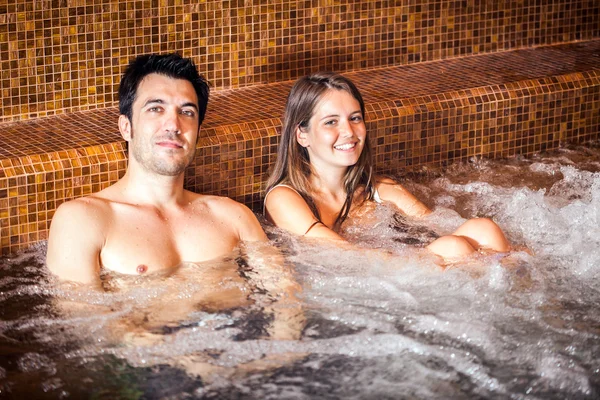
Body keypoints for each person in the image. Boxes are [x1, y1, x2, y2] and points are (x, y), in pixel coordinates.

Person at [46, 53, 268, 287]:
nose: (173, 125)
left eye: (187, 112)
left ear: (197, 131)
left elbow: (287, 303)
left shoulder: (233, 217)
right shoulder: (83, 221)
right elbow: (82, 319)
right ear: (126, 127)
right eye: (155, 109)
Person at [264, 72, 510, 259]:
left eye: (355, 118)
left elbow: (440, 223)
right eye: (331, 122)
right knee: (452, 247)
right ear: (301, 135)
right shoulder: (284, 198)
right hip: (353, 290)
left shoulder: (381, 191)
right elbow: (345, 258)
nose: (348, 132)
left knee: (484, 228)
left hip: (396, 272)